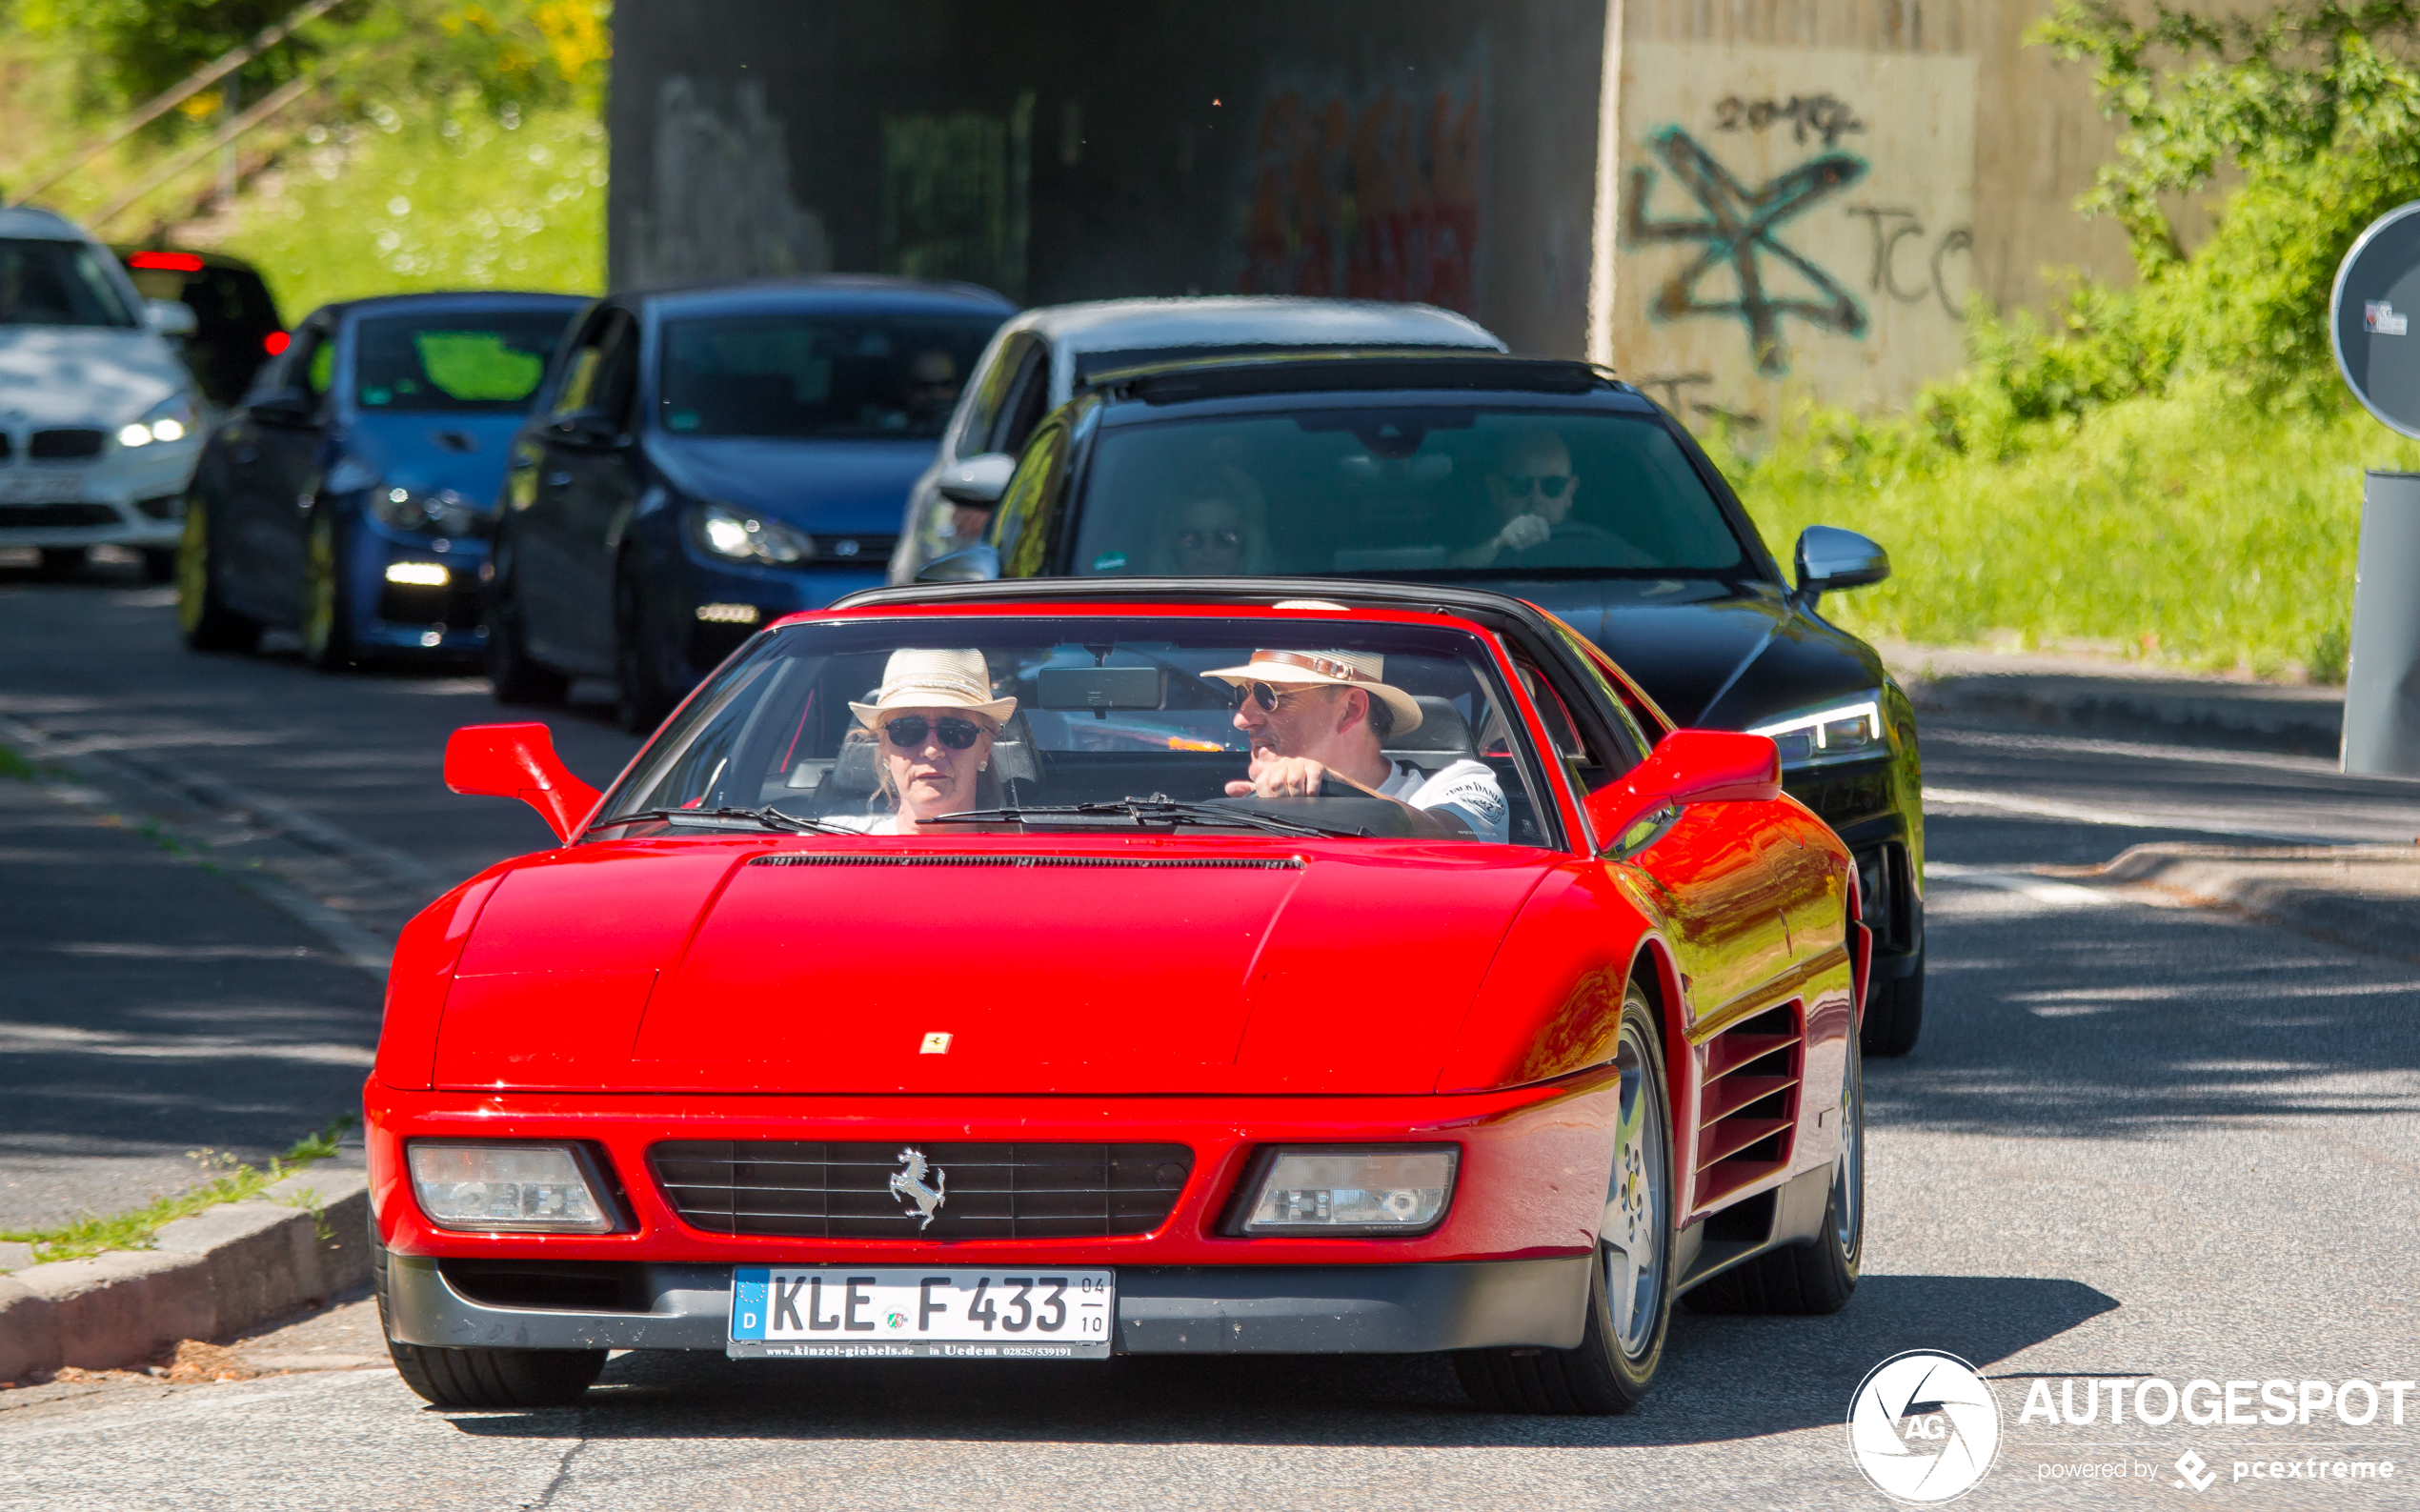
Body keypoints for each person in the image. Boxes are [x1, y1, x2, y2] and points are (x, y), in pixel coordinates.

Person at [1204, 649, 1508, 841]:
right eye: (1242, 695)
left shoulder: (1459, 785)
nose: (1241, 720)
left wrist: (1331, 788)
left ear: (1350, 710)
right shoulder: (1216, 805)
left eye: (1267, 695)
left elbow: (1458, 841)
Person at [834, 648, 1016, 834]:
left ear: (985, 746)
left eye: (955, 730)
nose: (932, 750)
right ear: (883, 745)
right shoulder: (824, 844)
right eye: (907, 730)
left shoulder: (1029, 859)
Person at [1452, 430, 1581, 568]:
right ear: (1495, 489)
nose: (1536, 499)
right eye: (1521, 485)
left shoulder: (1590, 547)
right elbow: (1449, 573)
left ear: (1570, 492)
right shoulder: (1470, 535)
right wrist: (1500, 544)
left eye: (1553, 485)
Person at [1147, 465, 1269, 575]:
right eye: (1192, 539)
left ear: (1247, 544)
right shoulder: (1142, 597)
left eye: (1224, 538)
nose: (1208, 551)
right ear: (1172, 544)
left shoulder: (1282, 596)